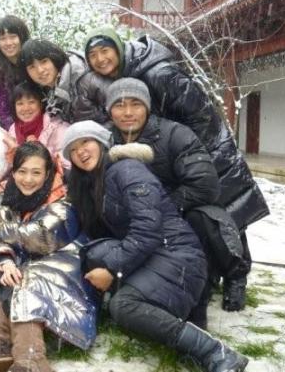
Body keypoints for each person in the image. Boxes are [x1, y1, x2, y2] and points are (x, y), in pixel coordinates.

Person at [82, 25, 269, 311]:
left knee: (216, 215)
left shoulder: (159, 74)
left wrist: (188, 151)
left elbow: (201, 116)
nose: (100, 59)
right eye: (92, 55)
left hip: (203, 151)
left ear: (119, 48)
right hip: (161, 161)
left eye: (105, 50)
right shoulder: (121, 98)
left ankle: (235, 274)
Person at [62, 121, 249, 372]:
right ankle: (164, 304)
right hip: (154, 253)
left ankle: (216, 353)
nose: (81, 152)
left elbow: (147, 230)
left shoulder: (127, 170)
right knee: (93, 253)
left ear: (102, 142)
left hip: (178, 255)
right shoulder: (95, 181)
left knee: (124, 307)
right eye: (73, 150)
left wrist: (111, 270)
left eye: (85, 142)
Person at [105, 78, 244, 328]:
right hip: (138, 215)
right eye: (119, 105)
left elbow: (205, 185)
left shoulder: (174, 134)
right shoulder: (104, 140)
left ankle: (230, 275)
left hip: (179, 209)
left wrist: (162, 207)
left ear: (147, 107)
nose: (127, 112)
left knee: (203, 218)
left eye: (135, 104)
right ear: (109, 111)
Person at [0, 142, 95, 372]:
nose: (28, 179)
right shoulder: (12, 200)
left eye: (36, 172)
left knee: (29, 279)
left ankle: (32, 359)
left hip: (65, 279)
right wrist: (6, 261)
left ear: (48, 174)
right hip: (27, 274)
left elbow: (41, 237)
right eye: (22, 171)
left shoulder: (63, 201)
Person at [20, 39, 89, 123]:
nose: (40, 70)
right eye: (32, 67)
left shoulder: (83, 79)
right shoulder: (48, 91)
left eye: (44, 62)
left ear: (54, 58)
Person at [7, 82, 70, 169]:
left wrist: (39, 151)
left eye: (31, 102)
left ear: (41, 104)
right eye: (20, 103)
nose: (26, 108)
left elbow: (68, 165)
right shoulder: (12, 131)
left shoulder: (57, 128)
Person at [0, 15, 30, 128]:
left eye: (13, 37)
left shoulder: (33, 64)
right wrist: (16, 131)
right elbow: (1, 110)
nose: (8, 43)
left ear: (22, 37)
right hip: (13, 129)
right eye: (3, 39)